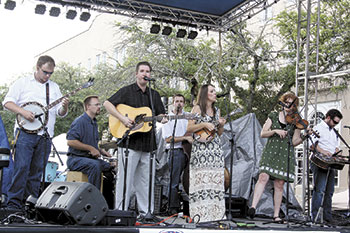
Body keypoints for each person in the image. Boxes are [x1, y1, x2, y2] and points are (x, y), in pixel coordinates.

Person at [2, 55, 69, 210]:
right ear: (37, 68)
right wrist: (23, 112)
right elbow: (7, 102)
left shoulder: (54, 87)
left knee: (37, 172)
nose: (47, 76)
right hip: (25, 133)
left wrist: (64, 107)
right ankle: (13, 205)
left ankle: (30, 205)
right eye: (45, 72)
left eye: (50, 73)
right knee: (21, 168)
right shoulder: (23, 83)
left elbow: (60, 112)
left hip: (45, 135)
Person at [103, 61, 166, 216]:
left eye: (148, 71)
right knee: (125, 180)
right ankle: (120, 212)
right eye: (142, 71)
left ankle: (146, 212)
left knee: (146, 181)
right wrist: (123, 119)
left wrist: (163, 118)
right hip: (129, 143)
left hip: (148, 143)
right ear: (136, 74)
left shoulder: (154, 95)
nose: (146, 74)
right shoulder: (127, 91)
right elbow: (107, 103)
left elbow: (160, 116)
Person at [247, 92, 303, 222]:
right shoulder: (273, 115)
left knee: (279, 184)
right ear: (283, 102)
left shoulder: (296, 120)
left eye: (292, 104)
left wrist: (304, 137)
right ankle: (253, 207)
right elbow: (263, 133)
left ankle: (276, 215)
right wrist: (275, 131)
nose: (289, 106)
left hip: (285, 153)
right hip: (271, 151)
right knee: (263, 176)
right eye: (287, 102)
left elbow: (294, 142)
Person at [186, 84, 226, 222]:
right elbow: (190, 127)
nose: (215, 93)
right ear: (205, 94)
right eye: (212, 91)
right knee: (201, 181)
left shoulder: (217, 110)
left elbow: (219, 133)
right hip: (201, 150)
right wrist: (204, 124)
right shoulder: (197, 108)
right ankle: (200, 215)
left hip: (215, 150)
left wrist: (221, 125)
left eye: (215, 91)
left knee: (214, 181)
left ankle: (215, 215)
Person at [66, 95, 115, 207]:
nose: (99, 107)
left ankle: (108, 204)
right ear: (88, 106)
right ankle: (92, 202)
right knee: (95, 166)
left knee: (110, 167)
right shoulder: (80, 121)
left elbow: (91, 144)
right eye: (97, 104)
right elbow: (71, 141)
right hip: (75, 159)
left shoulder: (94, 122)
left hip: (88, 160)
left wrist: (102, 151)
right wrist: (90, 148)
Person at [161, 94, 193, 215]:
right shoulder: (168, 118)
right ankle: (172, 208)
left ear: (184, 104)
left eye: (181, 101)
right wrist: (185, 138)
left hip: (188, 151)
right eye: (176, 101)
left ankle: (188, 206)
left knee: (188, 180)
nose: (179, 103)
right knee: (174, 181)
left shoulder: (187, 117)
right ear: (173, 103)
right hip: (175, 151)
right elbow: (168, 139)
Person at [310, 109, 342, 223]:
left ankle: (327, 217)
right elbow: (312, 145)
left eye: (337, 123)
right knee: (319, 190)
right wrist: (324, 151)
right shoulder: (318, 128)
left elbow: (336, 147)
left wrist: (337, 153)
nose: (335, 124)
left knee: (330, 191)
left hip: (331, 163)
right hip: (319, 162)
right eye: (334, 122)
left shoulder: (334, 131)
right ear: (328, 117)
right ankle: (315, 217)